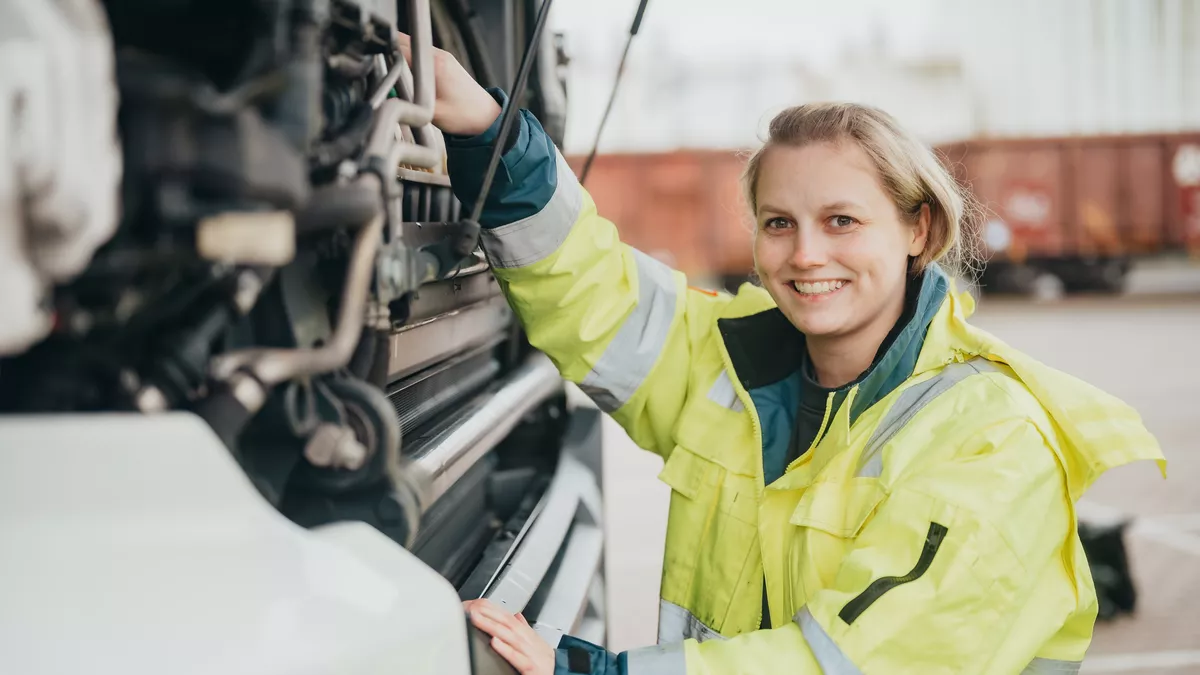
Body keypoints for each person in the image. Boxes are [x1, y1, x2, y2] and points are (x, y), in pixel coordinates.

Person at [400, 35, 1167, 675]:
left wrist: (588, 670)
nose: (805, 254)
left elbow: (850, 661)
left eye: (841, 220)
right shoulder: (734, 364)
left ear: (918, 231)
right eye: (778, 223)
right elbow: (594, 292)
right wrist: (486, 131)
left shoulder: (993, 440)